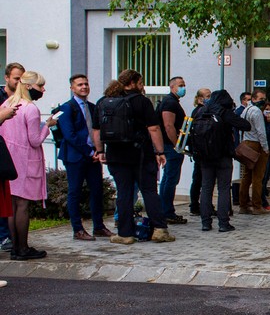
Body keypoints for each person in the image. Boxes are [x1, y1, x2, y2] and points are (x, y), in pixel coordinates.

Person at [96, 69, 175, 245]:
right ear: (132, 83)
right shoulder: (142, 102)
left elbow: (96, 129)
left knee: (124, 193)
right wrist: (160, 152)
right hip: (141, 154)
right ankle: (160, 230)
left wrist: (100, 151)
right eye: (140, 82)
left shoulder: (104, 102)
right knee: (149, 191)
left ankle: (125, 234)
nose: (142, 86)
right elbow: (153, 128)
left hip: (115, 155)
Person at [0, 71, 57, 260]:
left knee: (12, 206)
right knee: (22, 205)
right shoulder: (30, 108)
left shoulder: (7, 104)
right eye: (40, 86)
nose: (43, 90)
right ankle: (23, 248)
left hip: (9, 159)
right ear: (29, 86)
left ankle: (15, 248)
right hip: (25, 161)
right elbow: (34, 140)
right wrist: (47, 126)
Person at [57, 74, 114, 241]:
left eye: (86, 84)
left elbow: (97, 131)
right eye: (80, 85)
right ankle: (77, 229)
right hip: (76, 156)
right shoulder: (67, 108)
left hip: (93, 156)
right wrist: (89, 152)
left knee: (97, 190)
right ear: (72, 88)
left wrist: (98, 151)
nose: (84, 87)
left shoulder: (92, 106)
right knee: (75, 192)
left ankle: (99, 226)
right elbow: (70, 135)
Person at [194, 90, 250, 232]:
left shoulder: (200, 111)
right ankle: (223, 223)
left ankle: (205, 223)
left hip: (204, 156)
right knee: (224, 188)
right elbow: (245, 125)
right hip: (223, 155)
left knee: (206, 188)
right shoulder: (224, 112)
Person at [157, 76, 188, 225]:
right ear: (172, 87)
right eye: (180, 85)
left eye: (184, 85)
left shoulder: (172, 102)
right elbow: (169, 126)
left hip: (170, 146)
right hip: (170, 147)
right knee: (170, 179)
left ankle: (165, 210)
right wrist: (177, 145)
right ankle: (167, 212)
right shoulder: (169, 103)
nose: (183, 88)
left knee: (168, 179)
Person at [0, 62, 24, 253]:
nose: (19, 82)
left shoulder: (23, 100)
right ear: (7, 78)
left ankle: (7, 235)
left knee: (7, 201)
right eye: (17, 78)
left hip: (10, 156)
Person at [237, 88, 269, 215]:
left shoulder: (245, 110)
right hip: (256, 144)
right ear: (254, 98)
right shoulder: (256, 112)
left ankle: (243, 205)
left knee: (246, 176)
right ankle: (257, 205)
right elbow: (261, 132)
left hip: (246, 143)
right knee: (257, 177)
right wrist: (266, 148)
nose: (263, 101)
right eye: (261, 99)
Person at [188, 88, 211, 218]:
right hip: (201, 150)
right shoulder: (199, 112)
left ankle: (196, 205)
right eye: (208, 96)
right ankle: (196, 205)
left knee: (199, 178)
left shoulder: (198, 111)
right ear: (200, 98)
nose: (210, 98)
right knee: (200, 179)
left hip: (199, 149)